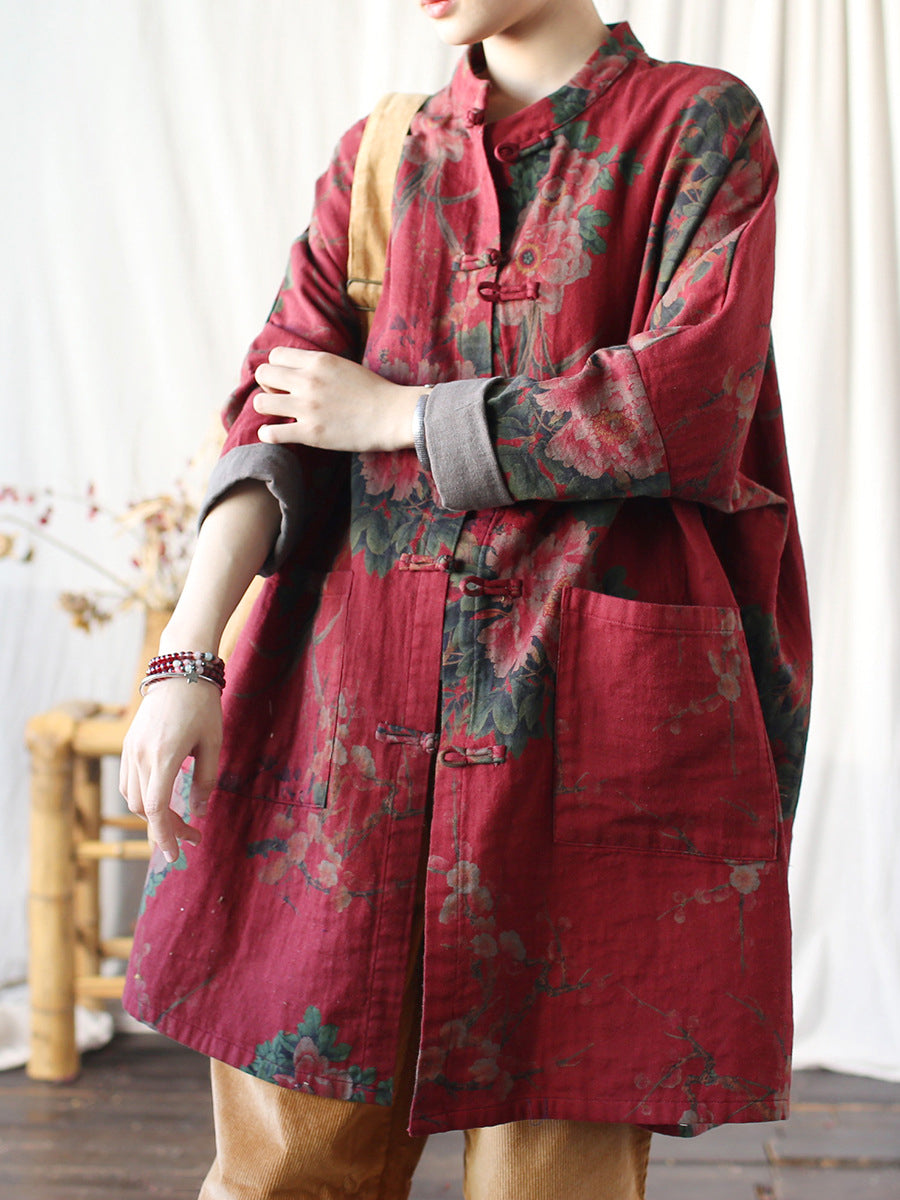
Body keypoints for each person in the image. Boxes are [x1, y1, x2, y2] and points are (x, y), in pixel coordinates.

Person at [120, 1, 812, 1196]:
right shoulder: (383, 157)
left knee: (557, 1174)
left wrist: (403, 415)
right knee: (290, 1171)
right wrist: (188, 657)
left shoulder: (699, 125)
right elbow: (274, 416)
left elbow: (689, 402)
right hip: (348, 726)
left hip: (589, 730)